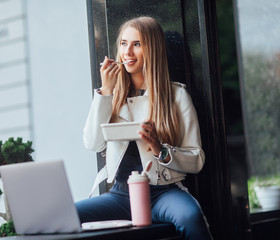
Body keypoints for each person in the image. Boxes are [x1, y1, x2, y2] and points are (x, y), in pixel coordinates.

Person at [76, 16, 213, 240]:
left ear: (153, 49)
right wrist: (105, 92)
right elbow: (92, 143)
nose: (127, 52)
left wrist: (161, 149)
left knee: (191, 218)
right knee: (67, 215)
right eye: (123, 44)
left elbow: (197, 159)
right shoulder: (112, 97)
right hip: (120, 195)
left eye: (137, 44)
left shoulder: (177, 95)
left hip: (164, 192)